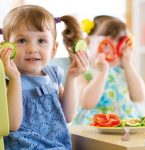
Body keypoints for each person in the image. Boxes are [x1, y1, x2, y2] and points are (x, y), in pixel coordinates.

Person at [0, 5, 90, 149]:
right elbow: (13, 125)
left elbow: (68, 116)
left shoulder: (53, 74)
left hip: (57, 146)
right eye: (22, 41)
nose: (32, 49)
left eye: (41, 41)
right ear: (7, 47)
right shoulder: (7, 79)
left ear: (53, 49)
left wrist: (72, 77)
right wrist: (15, 79)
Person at [71, 16, 145, 125]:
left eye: (121, 43)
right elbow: (86, 103)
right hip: (96, 126)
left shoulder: (123, 71)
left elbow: (140, 97)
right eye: (107, 44)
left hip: (125, 125)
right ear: (89, 43)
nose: (115, 49)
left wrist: (129, 65)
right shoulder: (84, 72)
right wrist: (102, 73)